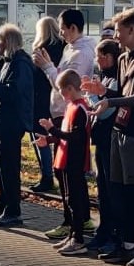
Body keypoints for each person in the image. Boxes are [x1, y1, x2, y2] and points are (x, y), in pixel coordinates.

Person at [85, 8, 134, 266]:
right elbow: (119, 93)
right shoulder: (124, 58)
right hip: (119, 131)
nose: (115, 37)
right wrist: (103, 91)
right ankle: (127, 244)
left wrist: (110, 101)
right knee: (120, 190)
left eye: (118, 31)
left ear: (132, 29)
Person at [35, 9, 96, 221]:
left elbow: (66, 85)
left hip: (69, 113)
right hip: (62, 112)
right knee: (61, 170)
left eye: (62, 29)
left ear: (73, 28)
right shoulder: (70, 48)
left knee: (69, 173)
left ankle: (78, 220)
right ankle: (73, 218)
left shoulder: (82, 53)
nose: (60, 33)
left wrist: (47, 67)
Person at [0, 24, 35, 227]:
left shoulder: (21, 64)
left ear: (8, 42)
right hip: (1, 121)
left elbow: (12, 94)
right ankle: (4, 205)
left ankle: (13, 210)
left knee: (9, 167)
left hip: (12, 123)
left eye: (0, 41)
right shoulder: (5, 62)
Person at [40, 69, 92, 256]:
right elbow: (65, 135)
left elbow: (76, 137)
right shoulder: (71, 106)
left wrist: (52, 130)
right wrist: (49, 139)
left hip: (74, 162)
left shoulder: (80, 109)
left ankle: (78, 239)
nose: (60, 93)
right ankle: (72, 234)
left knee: (75, 201)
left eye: (61, 89)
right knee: (70, 200)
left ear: (70, 88)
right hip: (65, 160)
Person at [87, 39, 123, 255]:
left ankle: (114, 233)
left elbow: (105, 110)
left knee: (111, 188)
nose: (98, 61)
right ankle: (104, 229)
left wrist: (94, 95)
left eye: (101, 57)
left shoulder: (116, 79)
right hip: (101, 138)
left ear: (111, 57)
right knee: (102, 187)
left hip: (111, 138)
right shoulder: (105, 77)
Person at [30, 16, 65, 194]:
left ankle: (47, 176)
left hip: (41, 99)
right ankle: (59, 173)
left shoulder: (40, 50)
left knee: (40, 137)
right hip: (58, 100)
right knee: (58, 137)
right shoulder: (65, 47)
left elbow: (35, 77)